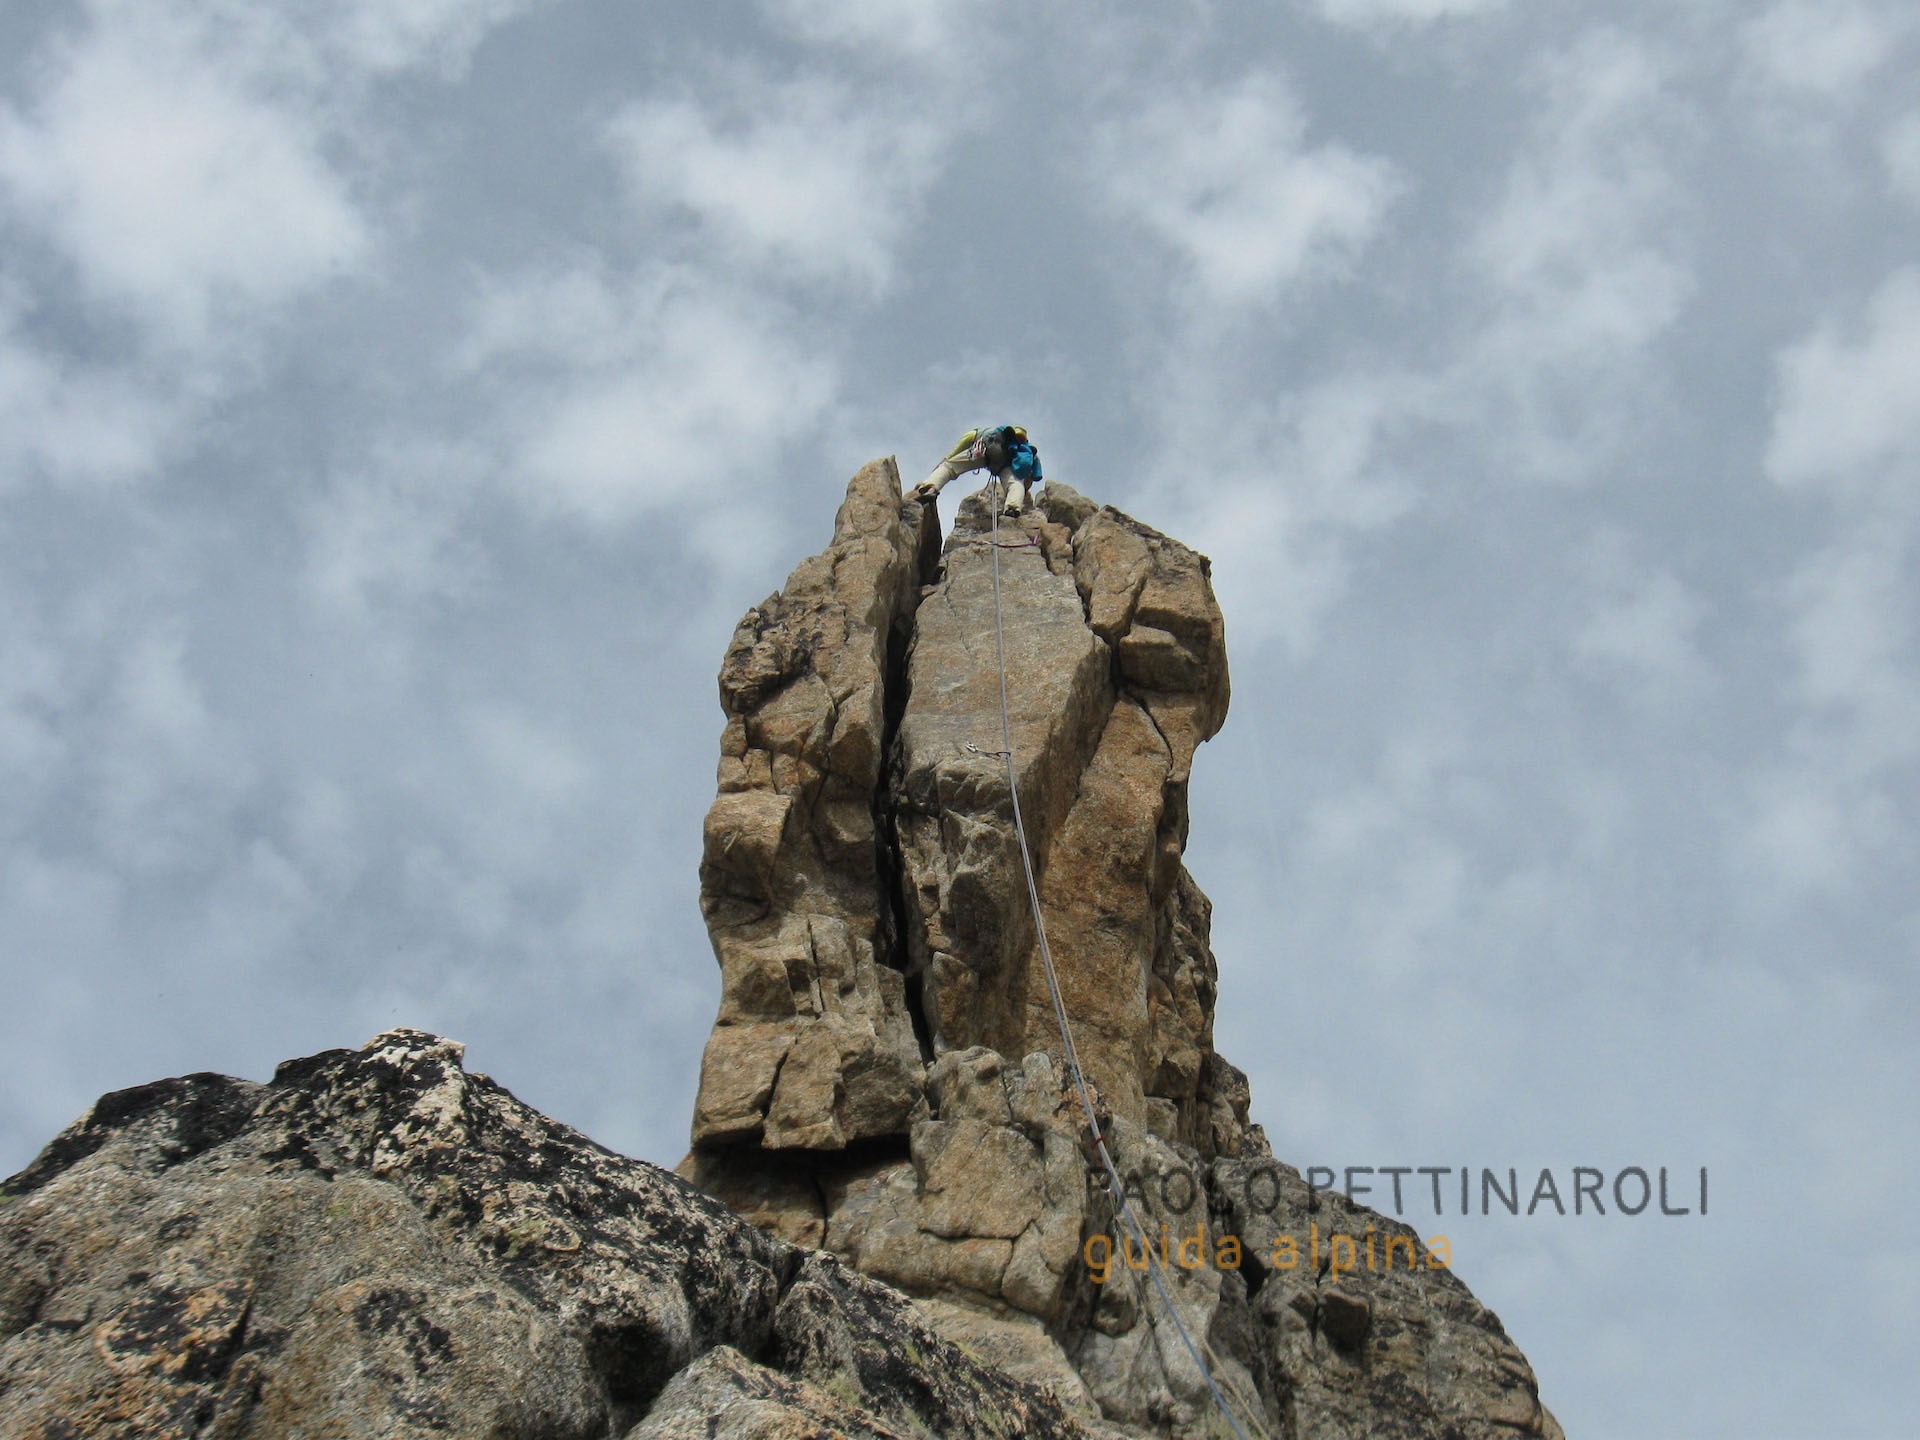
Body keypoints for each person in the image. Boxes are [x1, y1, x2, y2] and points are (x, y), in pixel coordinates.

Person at [911, 425, 1043, 514]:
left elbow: (954, 454)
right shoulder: (1025, 450)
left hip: (985, 451)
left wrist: (943, 462)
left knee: (950, 467)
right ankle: (1013, 508)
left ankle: (931, 487)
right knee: (1014, 483)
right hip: (1006, 463)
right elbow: (1030, 479)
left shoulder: (979, 433)